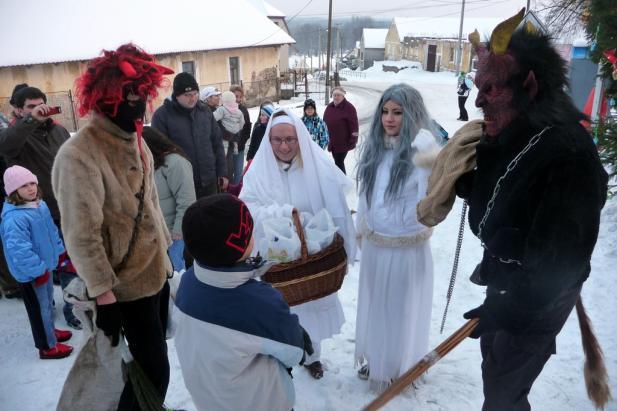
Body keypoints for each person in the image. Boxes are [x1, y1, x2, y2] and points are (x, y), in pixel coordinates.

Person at [455, 12, 609, 410]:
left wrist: (509, 308)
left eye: (490, 88)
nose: (478, 101)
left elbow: (562, 260)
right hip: (506, 279)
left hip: (540, 295)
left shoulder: (568, 154)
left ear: (528, 85)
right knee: (497, 374)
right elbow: (508, 194)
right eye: (478, 87)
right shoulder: (512, 132)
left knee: (503, 392)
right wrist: (468, 186)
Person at [52, 43, 175, 410]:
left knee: (152, 369)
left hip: (154, 278)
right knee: (144, 374)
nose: (139, 102)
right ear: (105, 96)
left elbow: (150, 206)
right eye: (130, 94)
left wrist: (165, 259)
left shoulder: (137, 141)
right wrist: (103, 295)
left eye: (143, 93)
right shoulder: (79, 155)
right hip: (122, 290)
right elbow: (80, 234)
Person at [240, 108, 356, 380]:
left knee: (311, 305)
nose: (284, 146)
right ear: (268, 141)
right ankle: (282, 357)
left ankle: (312, 355)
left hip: (313, 257)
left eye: (290, 139)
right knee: (280, 310)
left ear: (300, 139)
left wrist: (345, 249)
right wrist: (281, 213)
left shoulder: (319, 167)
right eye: (277, 140)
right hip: (277, 259)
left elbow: (338, 209)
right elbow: (247, 207)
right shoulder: (258, 172)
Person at [174, 193, 313, 411]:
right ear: (243, 243)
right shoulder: (259, 304)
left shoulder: (188, 284)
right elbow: (294, 353)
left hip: (209, 401)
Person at [355, 83, 440, 389]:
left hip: (406, 249)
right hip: (378, 247)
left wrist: (427, 149)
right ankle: (378, 362)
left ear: (412, 114)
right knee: (378, 307)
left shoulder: (423, 150)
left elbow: (434, 198)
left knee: (403, 310)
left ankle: (401, 365)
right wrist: (361, 229)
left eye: (398, 113)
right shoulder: (375, 150)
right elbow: (365, 197)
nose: (389, 119)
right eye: (386, 112)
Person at [0, 85, 80, 329]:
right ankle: (45, 315)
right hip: (35, 214)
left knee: (69, 263)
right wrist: (30, 121)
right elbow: (6, 147)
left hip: (65, 208)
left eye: (40, 105)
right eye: (30, 107)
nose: (38, 110)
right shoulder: (15, 134)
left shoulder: (59, 130)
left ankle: (72, 306)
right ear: (17, 110)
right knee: (41, 266)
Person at [0, 165, 74, 359]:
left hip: (45, 267)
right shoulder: (14, 218)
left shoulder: (39, 205)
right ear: (13, 191)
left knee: (47, 305)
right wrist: (38, 271)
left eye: (32, 183)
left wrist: (59, 252)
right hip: (33, 273)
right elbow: (20, 251)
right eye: (24, 185)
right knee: (38, 309)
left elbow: (51, 231)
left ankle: (50, 331)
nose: (31, 188)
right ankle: (47, 346)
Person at [152, 73, 228, 198]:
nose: (192, 99)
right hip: (181, 186)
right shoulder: (162, 116)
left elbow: (217, 143)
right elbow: (158, 154)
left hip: (209, 182)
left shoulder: (205, 111)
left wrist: (222, 172)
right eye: (187, 95)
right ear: (177, 95)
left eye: (194, 94)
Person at [142, 126, 196, 272]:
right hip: (156, 236)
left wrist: (178, 233)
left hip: (174, 236)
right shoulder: (149, 164)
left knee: (175, 277)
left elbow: (187, 201)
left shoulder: (175, 163)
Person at [323, 86, 359, 174]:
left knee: (339, 162)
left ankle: (343, 183)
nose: (336, 97)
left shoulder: (349, 108)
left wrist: (353, 140)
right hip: (332, 141)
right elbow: (324, 122)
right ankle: (340, 181)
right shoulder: (330, 107)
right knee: (337, 162)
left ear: (343, 96)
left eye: (338, 95)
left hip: (344, 142)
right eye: (334, 95)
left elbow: (354, 126)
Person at [213, 91, 246, 183]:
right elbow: (242, 123)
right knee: (234, 144)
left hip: (226, 134)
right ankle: (235, 149)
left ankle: (225, 154)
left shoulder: (222, 109)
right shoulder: (238, 110)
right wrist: (238, 129)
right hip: (235, 133)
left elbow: (213, 118)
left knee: (225, 146)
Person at [230, 85, 252, 185]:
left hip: (240, 148)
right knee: (228, 174)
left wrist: (242, 141)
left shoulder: (243, 110)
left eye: (240, 96)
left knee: (238, 174)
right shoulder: (223, 110)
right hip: (228, 150)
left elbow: (248, 127)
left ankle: (236, 197)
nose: (238, 99)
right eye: (236, 96)